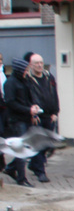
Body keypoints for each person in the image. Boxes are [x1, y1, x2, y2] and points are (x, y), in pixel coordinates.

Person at [24, 52, 60, 183]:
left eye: (41, 62)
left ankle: (33, 164)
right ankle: (40, 172)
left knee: (47, 143)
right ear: (31, 65)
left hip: (50, 116)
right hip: (37, 117)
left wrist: (56, 112)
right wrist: (32, 113)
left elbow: (54, 95)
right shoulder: (27, 79)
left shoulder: (48, 77)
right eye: (36, 63)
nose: (39, 65)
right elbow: (26, 98)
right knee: (38, 144)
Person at [2, 58, 37, 186]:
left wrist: (34, 109)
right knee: (21, 149)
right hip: (17, 121)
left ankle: (11, 169)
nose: (27, 72)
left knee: (26, 148)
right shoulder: (10, 83)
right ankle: (22, 179)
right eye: (25, 70)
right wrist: (28, 110)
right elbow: (11, 102)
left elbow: (29, 97)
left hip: (27, 118)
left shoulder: (25, 81)